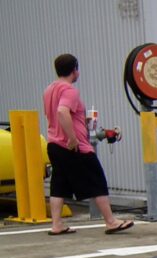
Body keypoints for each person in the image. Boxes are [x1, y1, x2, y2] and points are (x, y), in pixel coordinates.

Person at [42, 53, 133, 236]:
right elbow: (62, 112)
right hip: (74, 146)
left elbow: (56, 113)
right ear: (74, 69)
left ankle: (57, 224)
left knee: (58, 184)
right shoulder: (69, 90)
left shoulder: (49, 89)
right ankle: (111, 221)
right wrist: (73, 138)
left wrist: (82, 121)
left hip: (54, 143)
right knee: (97, 179)